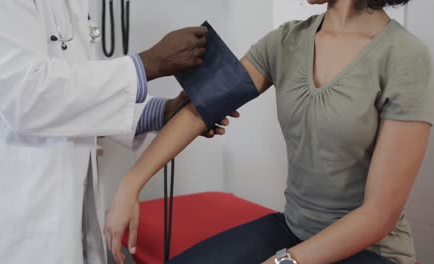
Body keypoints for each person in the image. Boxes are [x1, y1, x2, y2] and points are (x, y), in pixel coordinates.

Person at [104, 0, 432, 263]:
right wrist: (130, 185)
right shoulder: (285, 41)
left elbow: (379, 216)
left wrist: (284, 262)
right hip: (293, 229)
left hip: (369, 250)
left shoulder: (404, 56)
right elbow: (202, 111)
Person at [0, 1, 237, 263]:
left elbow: (77, 98)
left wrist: (162, 112)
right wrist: (147, 64)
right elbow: (27, 96)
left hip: (69, 214)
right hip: (13, 215)